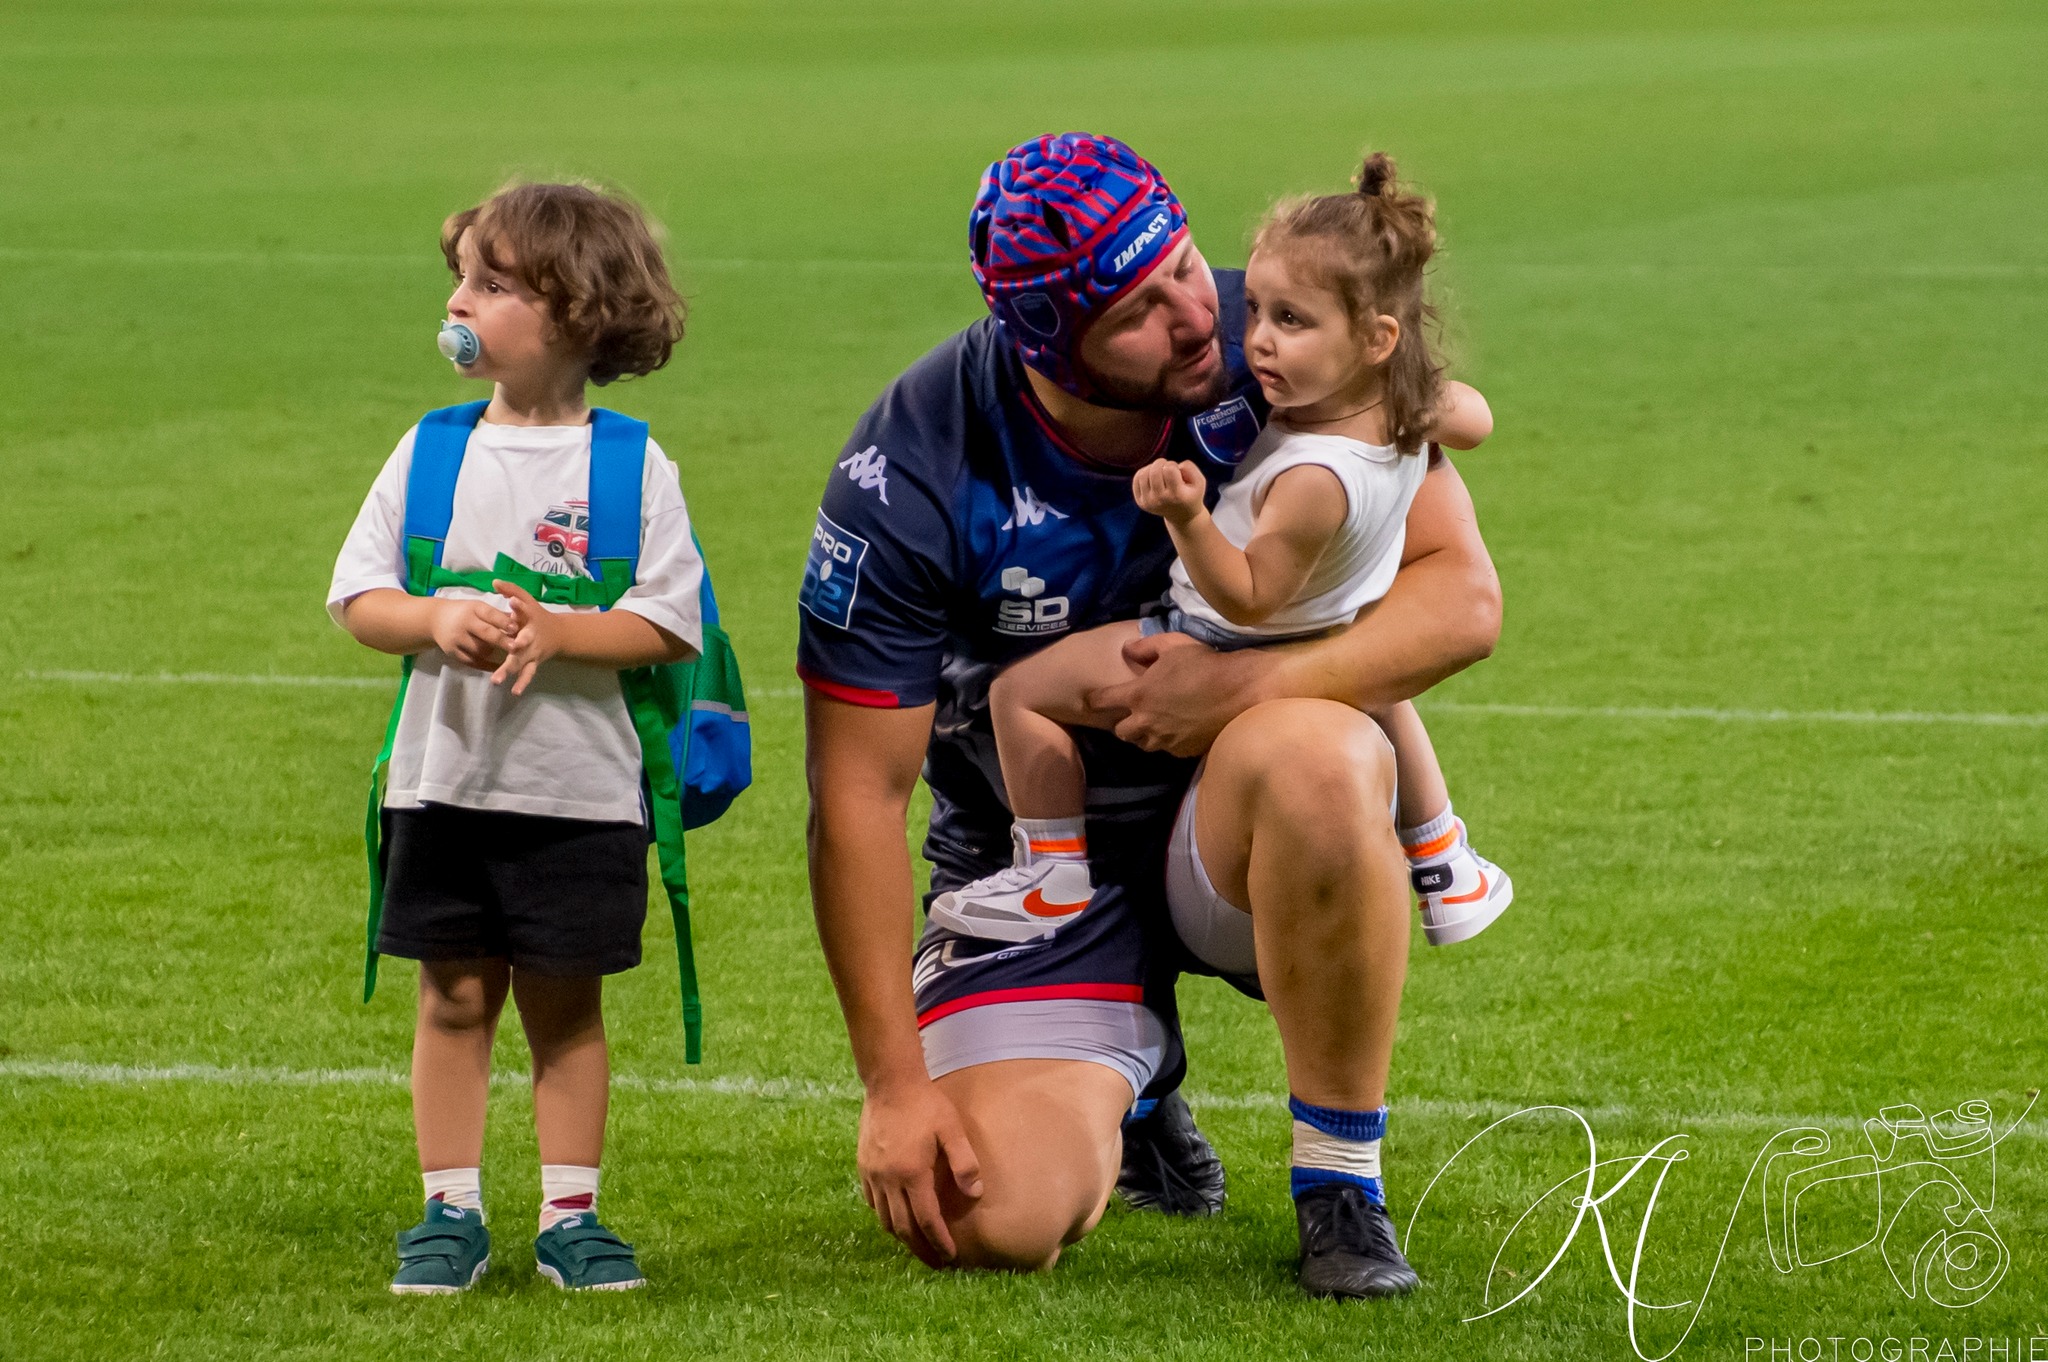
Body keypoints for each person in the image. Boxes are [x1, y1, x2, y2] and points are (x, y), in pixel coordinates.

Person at [799, 133, 1502, 1297]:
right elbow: (855, 797)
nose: (1193, 319)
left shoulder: (1281, 338)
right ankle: (1136, 1078)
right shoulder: (912, 467)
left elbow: (1460, 600)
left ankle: (1338, 1182)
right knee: (991, 1219)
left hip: (1227, 832)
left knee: (1322, 750)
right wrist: (891, 1089)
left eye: (1181, 264)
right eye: (1134, 309)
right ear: (1044, 346)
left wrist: (1246, 687)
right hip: (1035, 861)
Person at [934, 152, 1513, 956]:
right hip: (1338, 617)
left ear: (1377, 338)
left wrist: (1186, 516)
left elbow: (1248, 593)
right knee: (1384, 691)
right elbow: (1475, 419)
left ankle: (1052, 870)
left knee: (1022, 694)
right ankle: (1445, 858)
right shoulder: (1395, 410)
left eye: (1293, 322)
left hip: (1223, 637)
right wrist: (1417, 396)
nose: (1256, 341)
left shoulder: (1315, 478)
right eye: (1261, 312)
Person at [328, 181, 701, 1294]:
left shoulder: (631, 465)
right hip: (441, 787)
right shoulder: (430, 451)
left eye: (491, 285)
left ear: (575, 311)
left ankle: (570, 1215)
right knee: (449, 997)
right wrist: (435, 618)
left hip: (577, 795)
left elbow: (669, 623)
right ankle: (449, 1208)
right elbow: (359, 599)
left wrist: (564, 629)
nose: (459, 301)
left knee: (565, 1008)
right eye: (463, 279)